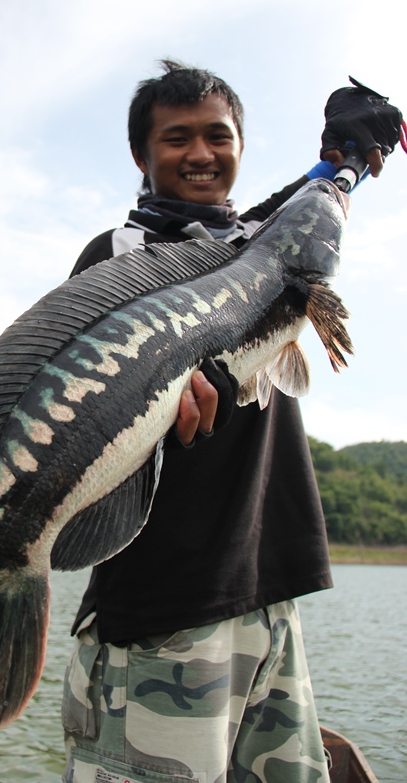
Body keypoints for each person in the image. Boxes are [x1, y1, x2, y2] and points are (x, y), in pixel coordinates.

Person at [61, 62, 403, 783]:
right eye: (176, 138)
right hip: (160, 609)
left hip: (268, 599)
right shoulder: (119, 258)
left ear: (241, 147)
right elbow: (79, 431)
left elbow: (306, 216)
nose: (200, 153)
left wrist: (345, 156)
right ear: (141, 157)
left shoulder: (258, 249)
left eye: (218, 136)